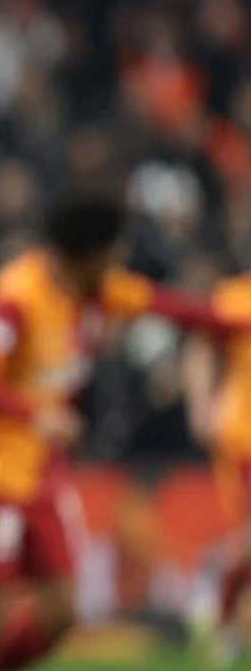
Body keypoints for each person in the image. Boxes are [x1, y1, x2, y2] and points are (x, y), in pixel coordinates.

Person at [0, 196, 249, 671]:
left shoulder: (97, 289)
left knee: (62, 610)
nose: (117, 262)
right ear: (87, 254)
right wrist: (36, 415)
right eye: (112, 252)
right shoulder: (15, 296)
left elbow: (174, 308)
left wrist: (234, 321)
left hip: (41, 471)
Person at [183, 272, 251, 665]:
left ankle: (223, 615)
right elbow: (201, 344)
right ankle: (224, 620)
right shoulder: (236, 297)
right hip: (244, 436)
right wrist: (201, 402)